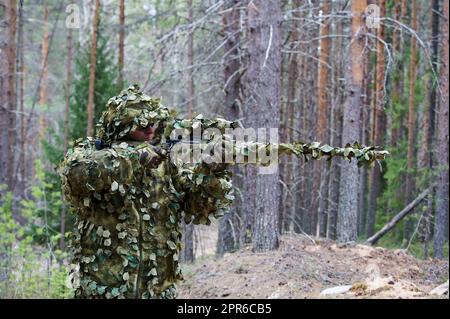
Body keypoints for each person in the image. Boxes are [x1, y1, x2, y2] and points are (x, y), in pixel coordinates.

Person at [60, 85, 388, 299]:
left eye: (153, 125)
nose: (150, 131)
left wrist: (211, 170)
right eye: (141, 125)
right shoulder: (92, 152)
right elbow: (77, 175)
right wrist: (142, 156)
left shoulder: (167, 163)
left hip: (158, 292)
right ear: (119, 125)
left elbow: (199, 208)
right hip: (103, 291)